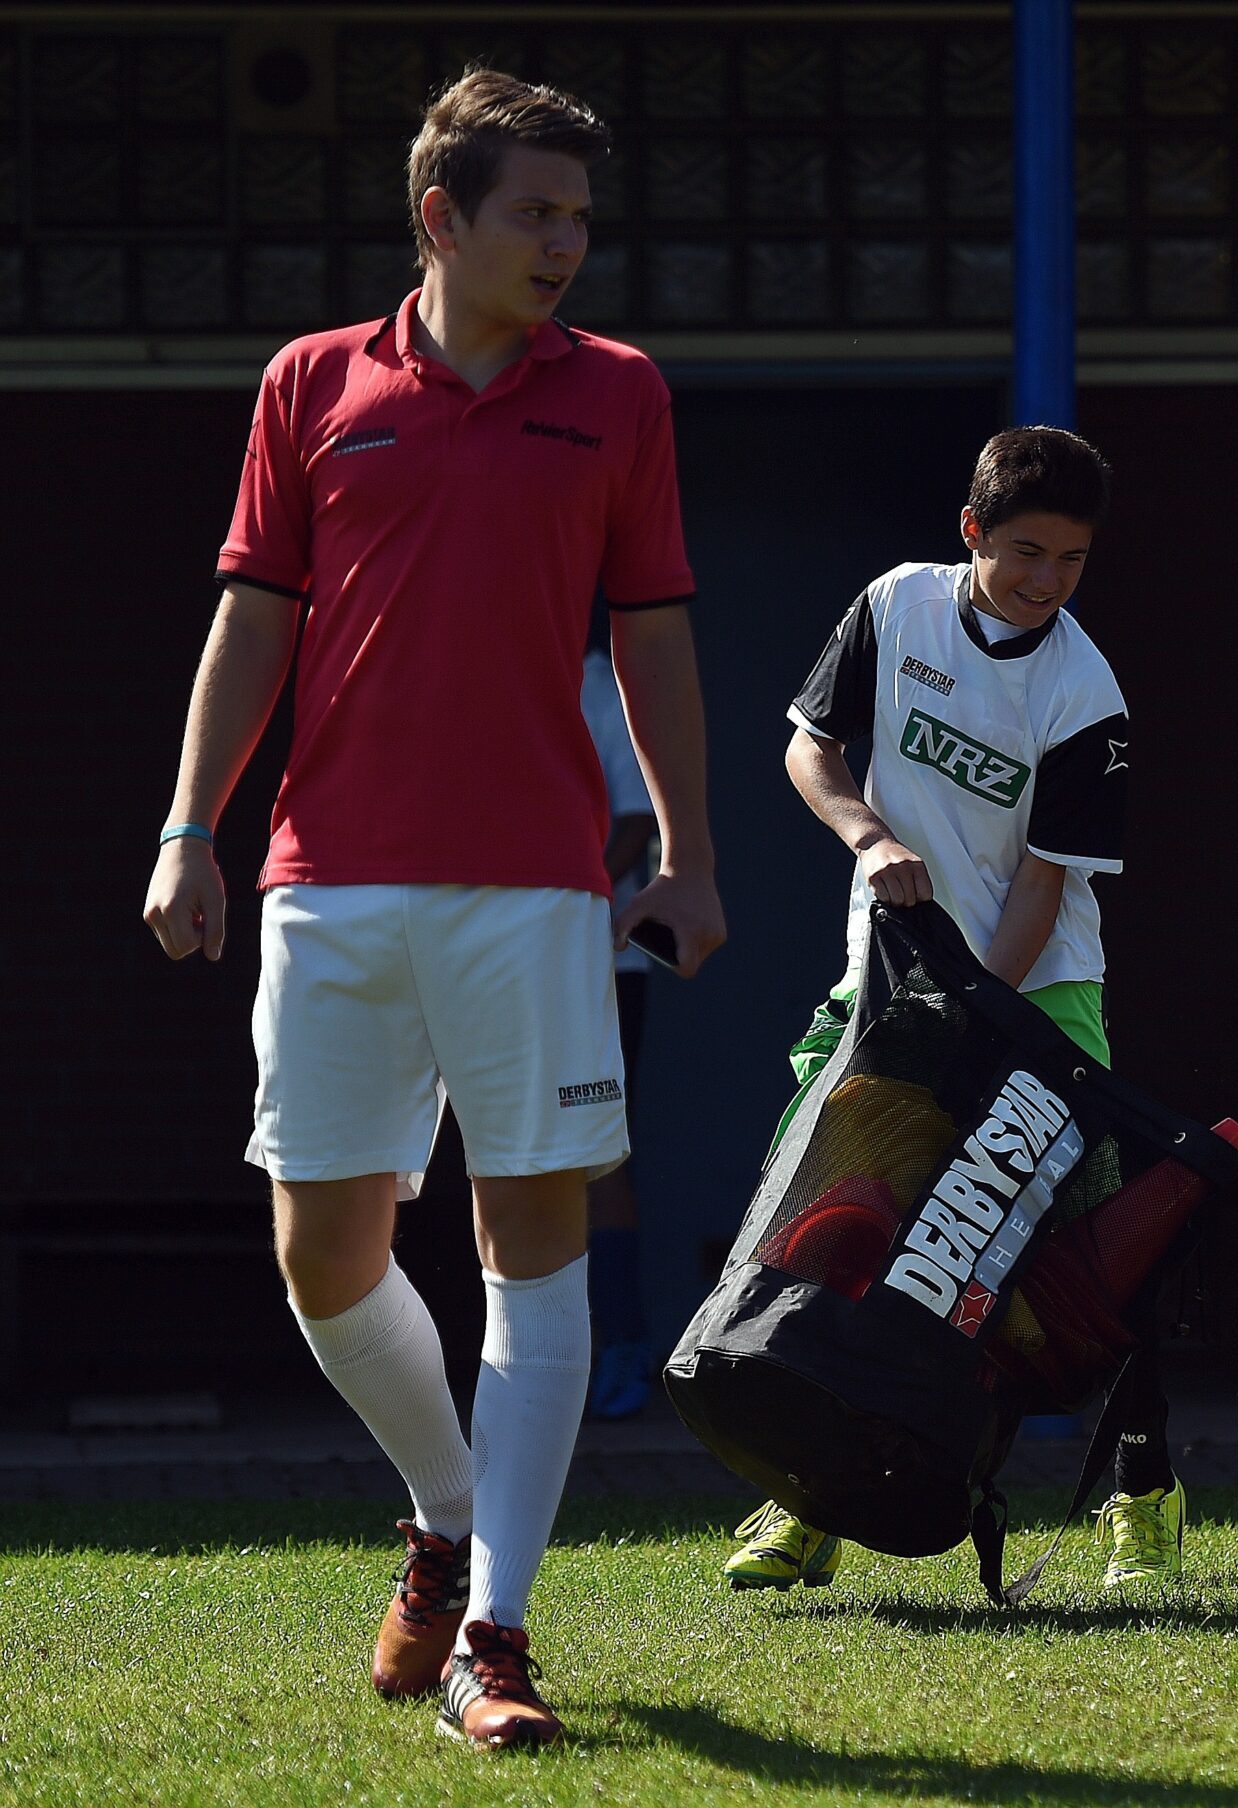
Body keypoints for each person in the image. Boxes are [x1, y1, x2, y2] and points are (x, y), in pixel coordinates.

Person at [140, 70, 724, 1749]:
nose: (567, 245)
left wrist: (686, 851)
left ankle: (499, 1631)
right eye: (536, 213)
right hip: (325, 879)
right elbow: (252, 620)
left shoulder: (617, 395)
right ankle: (444, 1506)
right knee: (324, 1254)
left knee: (530, 1255)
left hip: (537, 888)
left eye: (580, 219)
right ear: (439, 221)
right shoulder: (309, 381)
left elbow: (658, 635)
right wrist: (192, 826)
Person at [722, 425, 1189, 1592]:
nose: (1044, 581)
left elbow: (1043, 883)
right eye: (1025, 550)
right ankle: (808, 1503)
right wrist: (870, 836)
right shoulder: (893, 608)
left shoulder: (1089, 693)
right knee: (828, 1240)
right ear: (971, 531)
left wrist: (976, 1020)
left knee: (1082, 1271)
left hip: (1039, 999)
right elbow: (808, 750)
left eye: (1072, 560)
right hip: (882, 990)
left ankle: (1144, 1493)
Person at [579, 619, 662, 1420]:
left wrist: (564, 896)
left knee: (601, 1155)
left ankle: (625, 1348)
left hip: (598, 964)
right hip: (503, 968)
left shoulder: (598, 682)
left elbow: (638, 819)